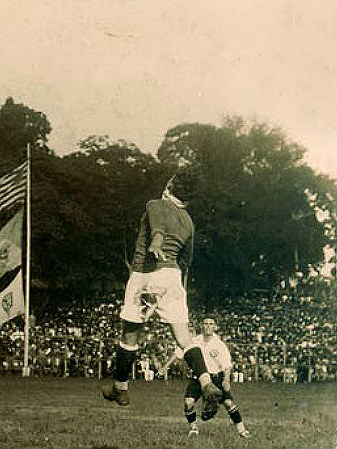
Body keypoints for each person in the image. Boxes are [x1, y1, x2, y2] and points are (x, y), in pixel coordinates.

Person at [102, 170, 223, 407]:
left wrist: (156, 243)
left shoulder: (155, 204)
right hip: (173, 277)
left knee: (130, 334)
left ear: (170, 184)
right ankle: (206, 381)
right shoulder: (189, 222)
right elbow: (186, 259)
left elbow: (158, 228)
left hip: (147, 274)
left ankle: (120, 388)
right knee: (184, 338)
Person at [181, 318, 250, 438]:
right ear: (201, 326)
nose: (208, 326)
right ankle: (193, 428)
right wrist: (165, 367)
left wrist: (226, 380)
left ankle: (242, 430)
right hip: (198, 377)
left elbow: (227, 365)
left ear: (215, 327)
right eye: (205, 323)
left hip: (216, 377)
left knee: (228, 403)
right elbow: (180, 352)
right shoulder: (194, 341)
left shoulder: (219, 344)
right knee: (188, 402)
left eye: (211, 324)